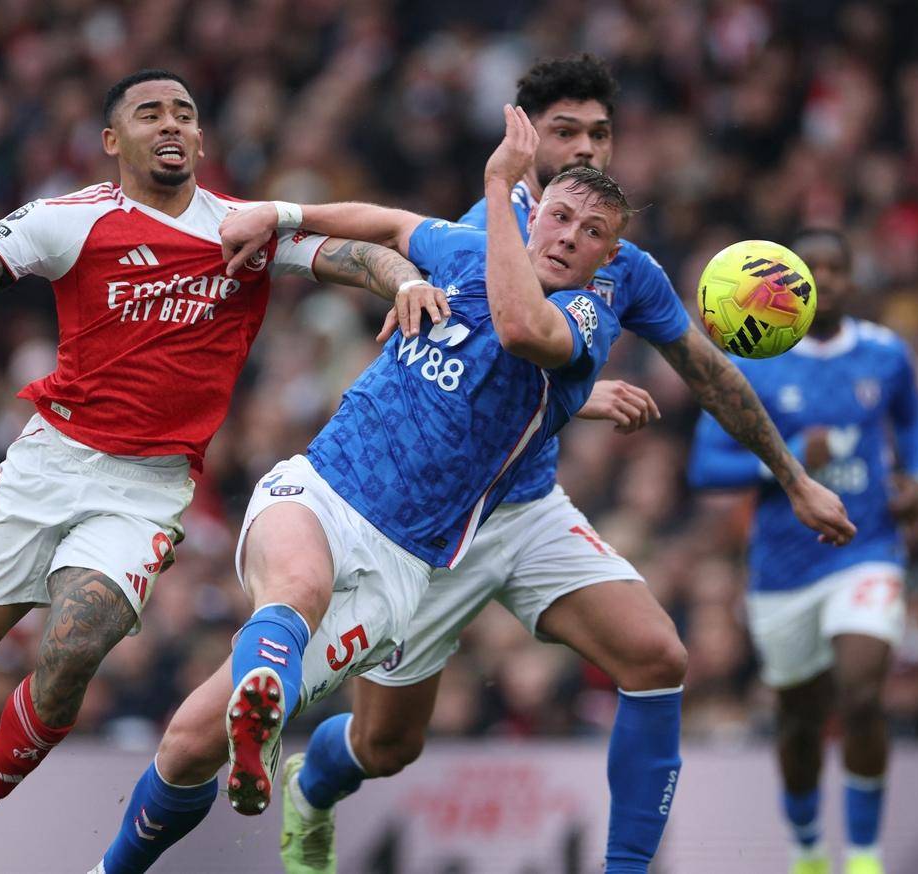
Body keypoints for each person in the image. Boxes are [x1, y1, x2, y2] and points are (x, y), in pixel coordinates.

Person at [219, 55, 856, 874]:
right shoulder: (487, 225)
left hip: (526, 508)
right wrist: (291, 223)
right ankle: (313, 784)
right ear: (523, 138)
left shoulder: (624, 267)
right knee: (387, 746)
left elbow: (706, 369)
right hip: (429, 525)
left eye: (600, 133)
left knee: (658, 656)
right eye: (565, 132)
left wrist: (792, 477)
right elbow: (478, 325)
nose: (586, 147)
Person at [0, 68, 442, 874]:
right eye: (150, 113)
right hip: (50, 464)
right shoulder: (67, 220)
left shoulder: (243, 229)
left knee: (75, 647)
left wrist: (406, 279)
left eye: (185, 113)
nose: (171, 124)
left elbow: (360, 255)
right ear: (113, 140)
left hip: (147, 489)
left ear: (201, 138)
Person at [89, 105, 630, 874]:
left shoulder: (586, 317)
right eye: (561, 216)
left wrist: (498, 181)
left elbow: (518, 329)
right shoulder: (466, 251)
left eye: (592, 232)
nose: (570, 236)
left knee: (185, 745)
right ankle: (261, 701)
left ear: (608, 257)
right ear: (536, 214)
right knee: (297, 588)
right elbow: (387, 223)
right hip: (319, 488)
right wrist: (280, 214)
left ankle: (257, 711)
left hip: (396, 569)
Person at [689, 228, 918, 874]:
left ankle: (865, 858)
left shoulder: (885, 353)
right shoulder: (752, 363)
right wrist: (788, 460)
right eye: (811, 270)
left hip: (866, 547)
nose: (826, 280)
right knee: (799, 722)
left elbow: (912, 420)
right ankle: (807, 850)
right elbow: (705, 467)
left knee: (861, 696)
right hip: (783, 568)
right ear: (787, 286)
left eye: (837, 267)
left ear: (854, 277)